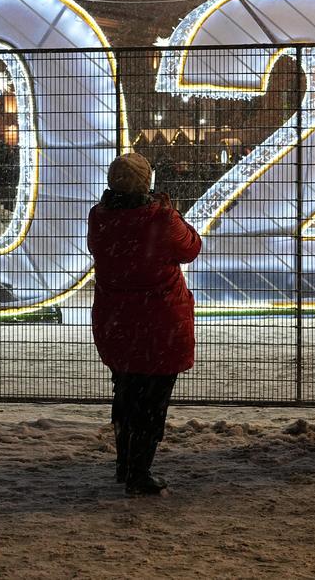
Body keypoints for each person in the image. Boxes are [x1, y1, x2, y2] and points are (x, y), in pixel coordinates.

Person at [88, 152, 201, 496]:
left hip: (117, 321)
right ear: (147, 182)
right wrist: (171, 211)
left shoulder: (99, 217)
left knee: (126, 393)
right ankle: (139, 472)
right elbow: (191, 247)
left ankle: (125, 464)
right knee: (153, 402)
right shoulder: (160, 218)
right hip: (159, 324)